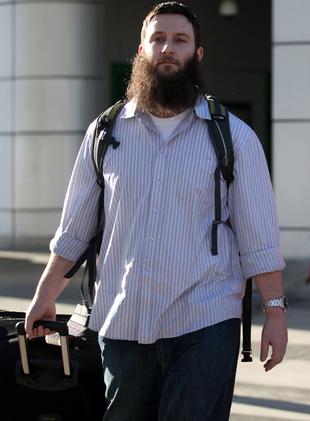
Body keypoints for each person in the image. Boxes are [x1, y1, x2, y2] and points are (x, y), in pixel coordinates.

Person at [25, 2, 288, 420]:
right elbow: (75, 229)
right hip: (121, 324)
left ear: (197, 55)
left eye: (180, 40)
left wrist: (275, 313)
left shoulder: (234, 137)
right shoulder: (105, 133)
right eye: (158, 39)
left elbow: (259, 239)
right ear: (141, 50)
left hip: (206, 323)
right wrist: (44, 295)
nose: (168, 48)